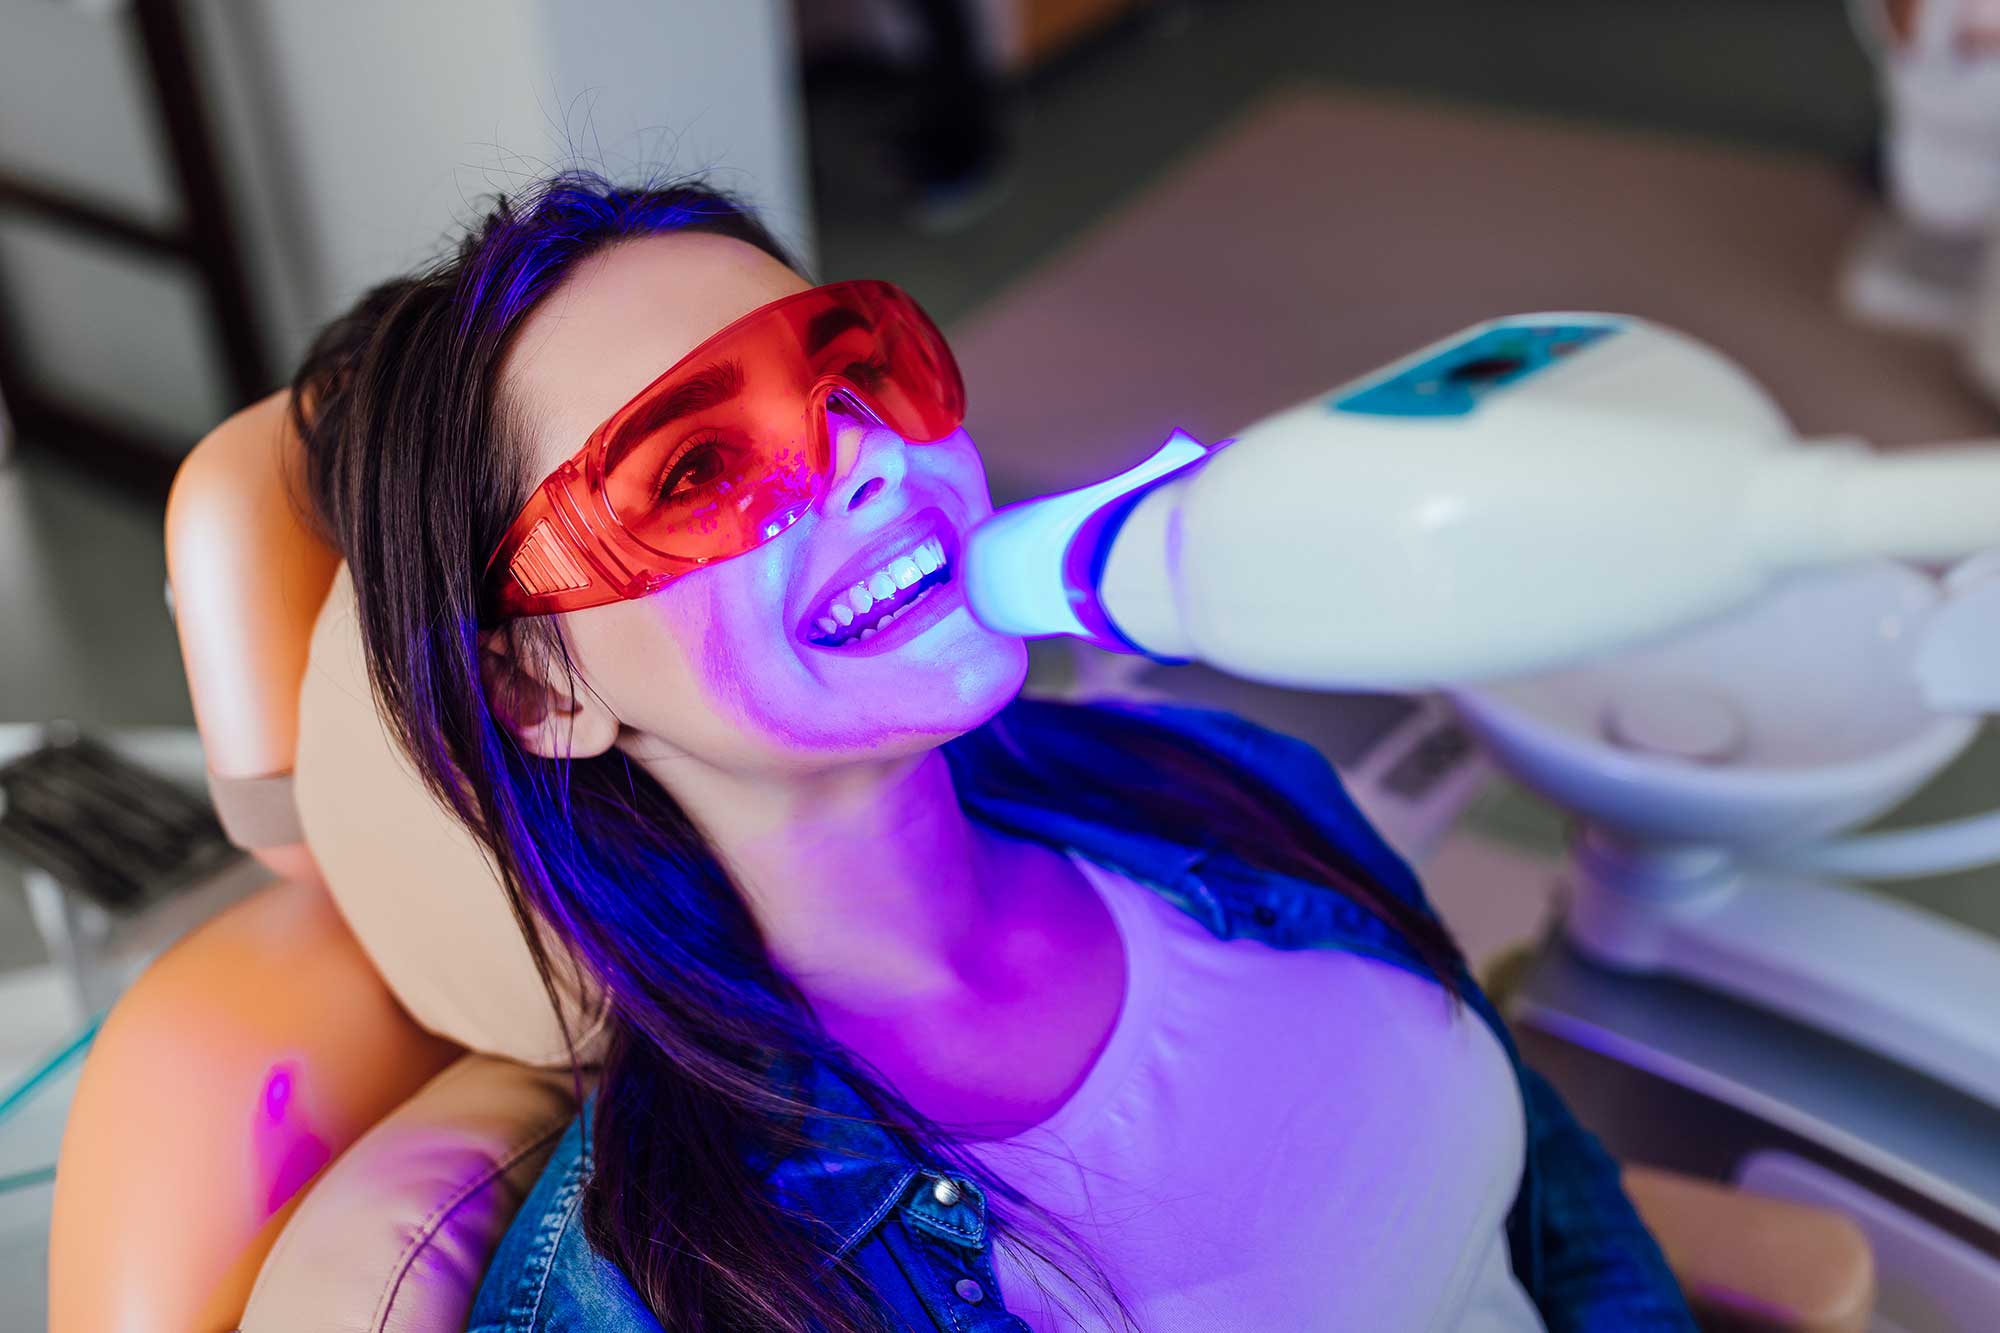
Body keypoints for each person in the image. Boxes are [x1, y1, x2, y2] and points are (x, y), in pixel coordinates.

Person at [290, 172, 1695, 1332]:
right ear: (540, 686)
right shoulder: (664, 1295)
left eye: (853, 373)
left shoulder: (1230, 781)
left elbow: (1557, 1208)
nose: (865, 461)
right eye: (700, 471)